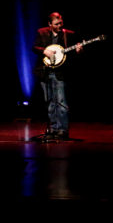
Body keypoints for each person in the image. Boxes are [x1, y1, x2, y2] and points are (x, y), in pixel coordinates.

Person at [32, 12, 82, 140]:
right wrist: (44, 51)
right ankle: (53, 128)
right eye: (56, 24)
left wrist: (78, 50)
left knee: (61, 102)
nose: (59, 25)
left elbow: (73, 50)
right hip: (45, 71)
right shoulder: (41, 32)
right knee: (50, 102)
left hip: (60, 72)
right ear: (50, 24)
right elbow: (34, 47)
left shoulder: (68, 34)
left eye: (61, 23)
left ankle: (62, 129)